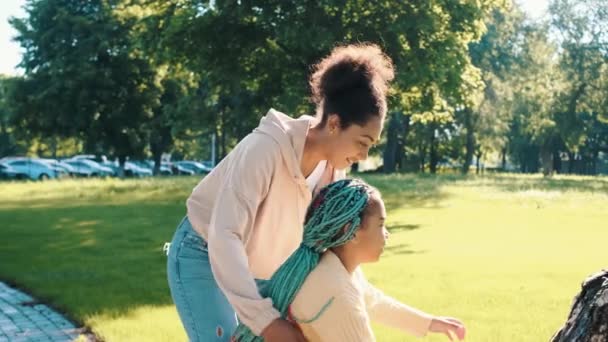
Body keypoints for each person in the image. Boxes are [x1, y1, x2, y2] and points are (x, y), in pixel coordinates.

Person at [166, 43, 395, 341]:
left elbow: (333, 257)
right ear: (335, 124)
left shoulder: (333, 172)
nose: (364, 155)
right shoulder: (266, 149)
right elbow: (226, 235)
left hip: (256, 270)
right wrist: (267, 322)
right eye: (362, 142)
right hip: (203, 252)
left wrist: (424, 323)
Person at [232, 179, 467, 342]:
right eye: (381, 225)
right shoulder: (336, 294)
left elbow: (373, 301)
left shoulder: (330, 266)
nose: (387, 234)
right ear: (351, 231)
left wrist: (430, 323)